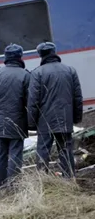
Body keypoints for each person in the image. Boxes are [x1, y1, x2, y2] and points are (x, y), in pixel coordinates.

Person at [27, 42, 83, 178]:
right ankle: (68, 179)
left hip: (44, 120)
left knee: (43, 150)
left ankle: (42, 179)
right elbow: (77, 97)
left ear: (41, 55)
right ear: (54, 52)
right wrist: (76, 118)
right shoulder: (70, 71)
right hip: (65, 118)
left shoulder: (37, 73)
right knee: (65, 149)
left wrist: (31, 123)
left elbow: (33, 101)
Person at [0, 44, 30, 188]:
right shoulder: (25, 75)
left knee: (0, 153)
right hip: (17, 121)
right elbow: (30, 101)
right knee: (16, 153)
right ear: (19, 57)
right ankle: (13, 185)